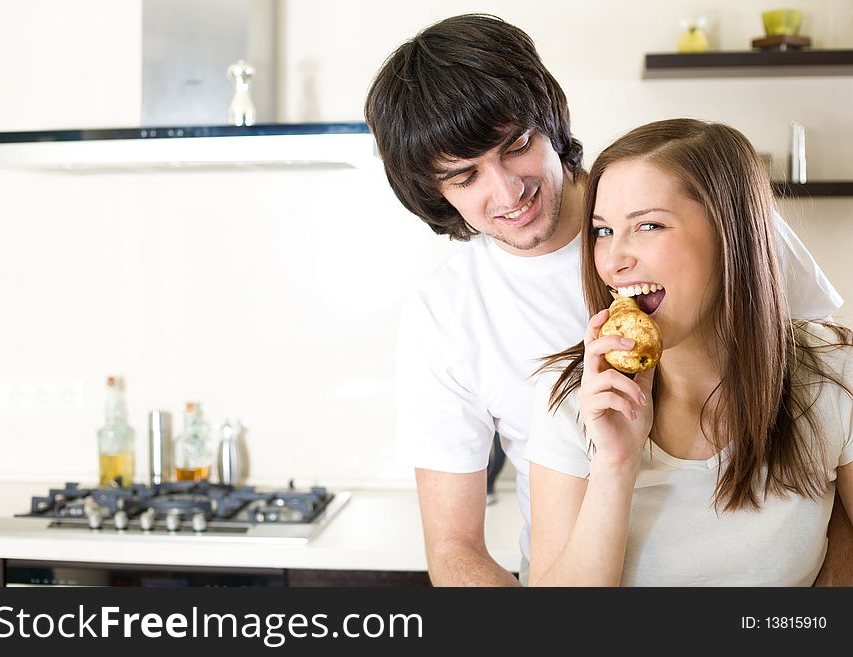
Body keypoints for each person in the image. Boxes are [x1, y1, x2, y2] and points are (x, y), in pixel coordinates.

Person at [363, 13, 849, 586]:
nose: (507, 191)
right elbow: (454, 553)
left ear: (549, 123)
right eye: (465, 178)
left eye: (516, 146)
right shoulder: (452, 320)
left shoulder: (708, 214)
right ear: (434, 193)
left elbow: (825, 426)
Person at [526, 118, 853, 586]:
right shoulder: (572, 399)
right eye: (602, 231)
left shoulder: (835, 375)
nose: (615, 260)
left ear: (732, 236)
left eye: (649, 225)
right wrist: (616, 462)